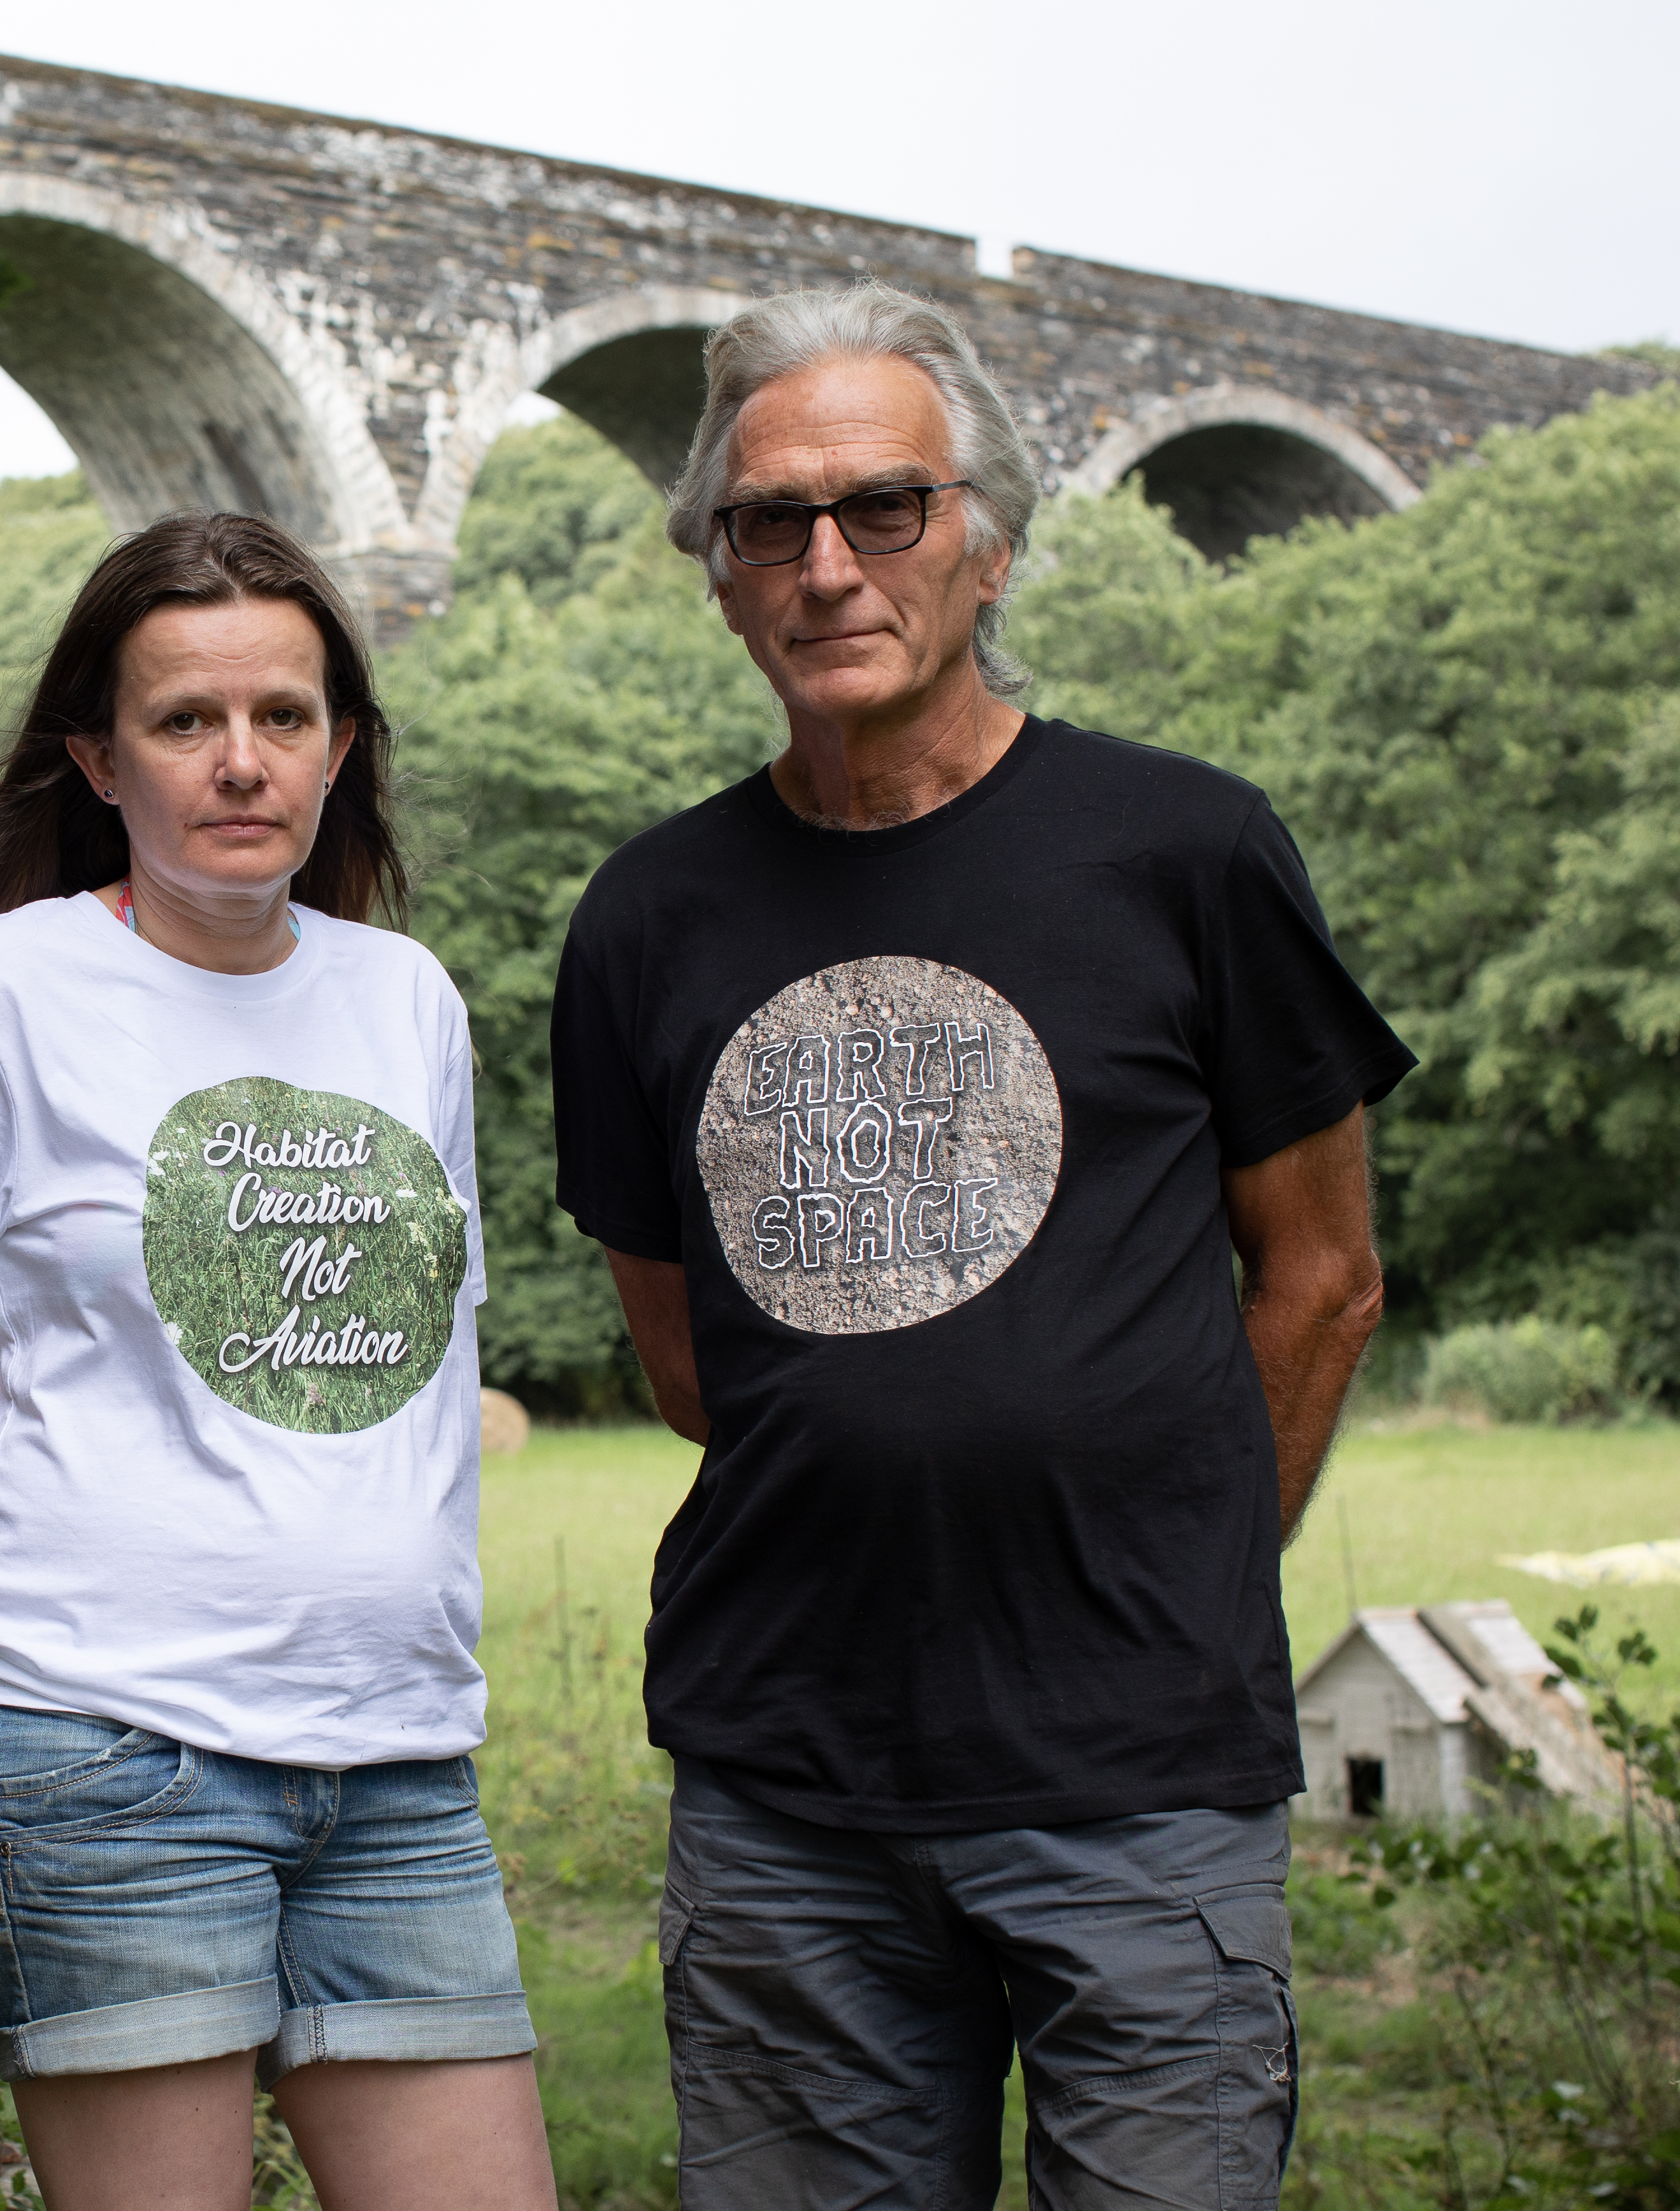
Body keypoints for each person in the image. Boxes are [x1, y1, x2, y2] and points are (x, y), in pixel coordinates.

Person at [550, 283, 1413, 2208]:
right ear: (717, 571)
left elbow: (1325, 1274)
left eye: (887, 509)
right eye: (770, 520)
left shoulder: (1186, 852)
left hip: (1142, 1783)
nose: (828, 565)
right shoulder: (646, 919)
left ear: (989, 542)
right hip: (788, 1789)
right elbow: (694, 1358)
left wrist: (1171, 1574)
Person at [0, 513, 556, 2211]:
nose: (241, 761)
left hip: (401, 1767)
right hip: (111, 1769)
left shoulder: (406, 1000)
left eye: (284, 715)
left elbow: (418, 1360)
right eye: (187, 721)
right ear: (98, 758)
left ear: (344, 747)